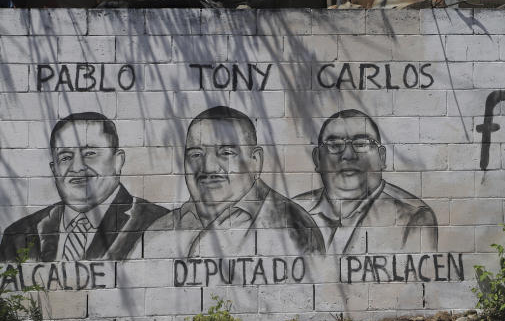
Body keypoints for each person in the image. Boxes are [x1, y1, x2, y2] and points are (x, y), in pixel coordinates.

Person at [142, 106, 323, 258]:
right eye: (196, 154)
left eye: (226, 153)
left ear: (255, 161)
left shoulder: (293, 228)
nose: (209, 168)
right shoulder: (158, 230)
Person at [0, 112, 167, 261]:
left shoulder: (158, 225)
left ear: (118, 161)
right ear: (54, 169)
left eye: (90, 154)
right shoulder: (18, 235)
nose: (77, 167)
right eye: (65, 157)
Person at [294, 109, 438, 254]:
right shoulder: (293, 211)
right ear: (318, 159)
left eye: (361, 144)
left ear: (382, 158)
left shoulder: (412, 217)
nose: (348, 155)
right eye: (335, 145)